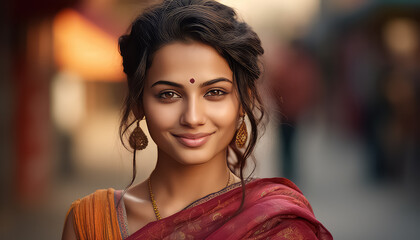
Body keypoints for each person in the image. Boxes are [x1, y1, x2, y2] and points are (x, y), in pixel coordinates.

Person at [62, 0, 333, 239]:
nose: (192, 117)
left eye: (214, 92)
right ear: (138, 102)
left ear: (243, 102)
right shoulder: (91, 224)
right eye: (168, 94)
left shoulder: (276, 226)